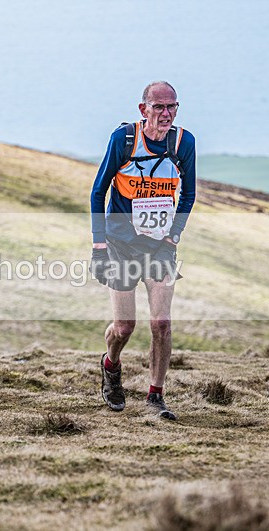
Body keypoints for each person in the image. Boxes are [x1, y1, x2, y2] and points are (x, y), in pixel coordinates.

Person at [89, 81, 197, 421]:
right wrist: (98, 247)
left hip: (160, 247)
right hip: (120, 244)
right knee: (124, 327)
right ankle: (111, 365)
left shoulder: (184, 142)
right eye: (158, 107)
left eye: (172, 107)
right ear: (143, 109)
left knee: (161, 323)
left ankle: (156, 397)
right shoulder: (123, 140)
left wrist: (173, 237)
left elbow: (188, 195)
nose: (165, 114)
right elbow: (98, 192)